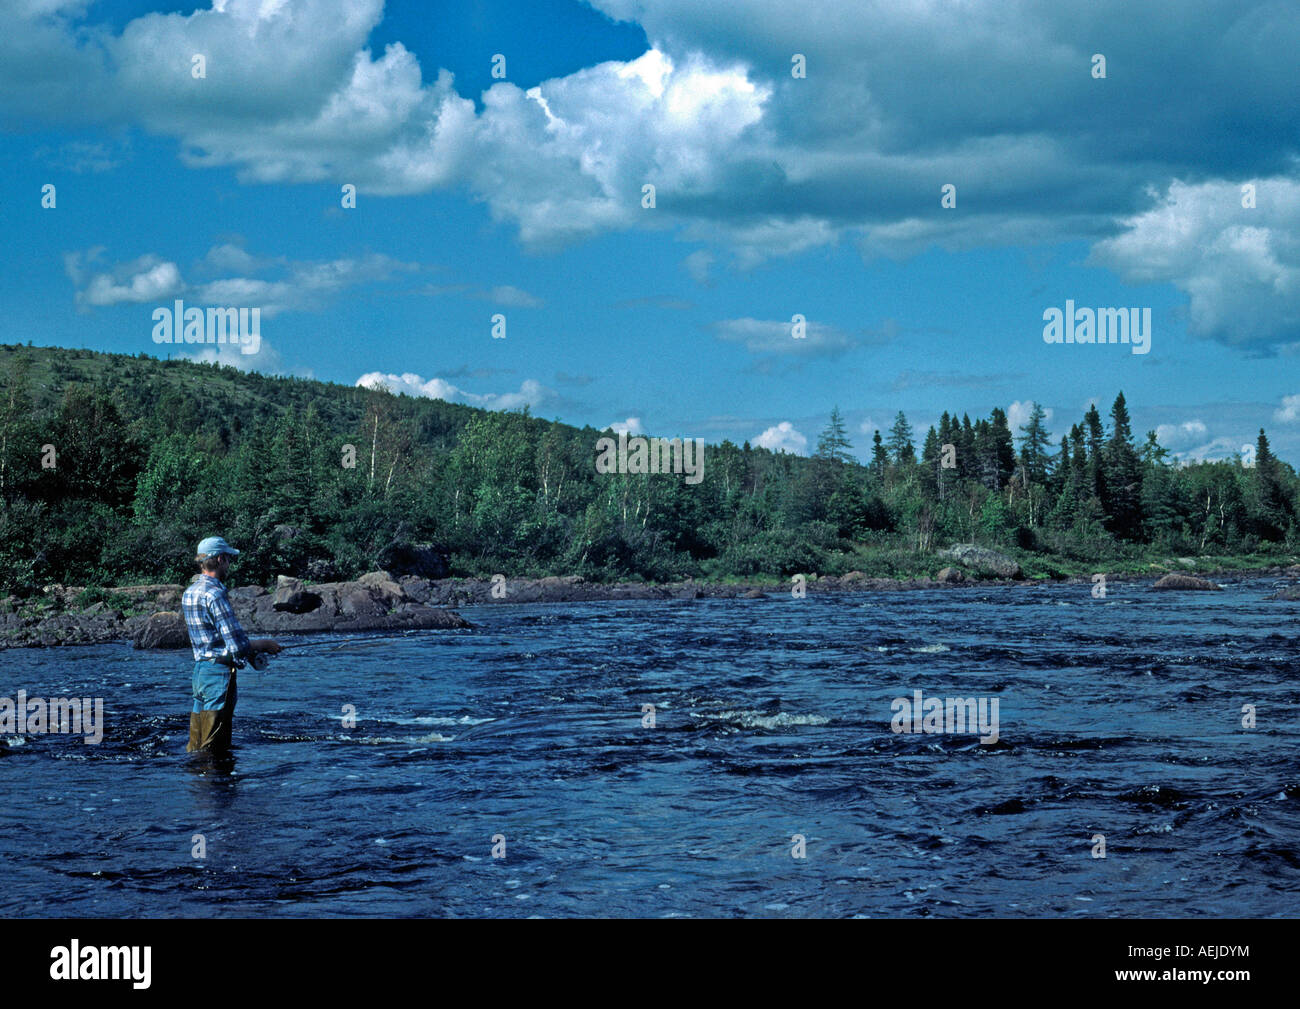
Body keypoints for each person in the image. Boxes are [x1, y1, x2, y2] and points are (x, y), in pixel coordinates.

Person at [181, 536, 281, 753]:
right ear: (220, 559)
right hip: (218, 674)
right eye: (228, 559)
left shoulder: (189, 593)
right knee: (214, 744)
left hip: (200, 673)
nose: (229, 564)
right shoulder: (215, 594)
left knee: (196, 742)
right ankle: (216, 784)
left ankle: (198, 783)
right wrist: (264, 644)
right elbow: (237, 645)